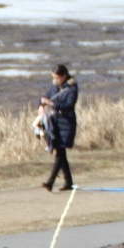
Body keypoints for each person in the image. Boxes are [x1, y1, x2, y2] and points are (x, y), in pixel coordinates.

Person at [41, 64, 78, 192]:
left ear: (64, 76)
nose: (55, 80)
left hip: (67, 123)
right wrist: (41, 105)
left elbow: (69, 105)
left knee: (60, 152)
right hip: (56, 122)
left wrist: (52, 103)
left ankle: (50, 182)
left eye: (57, 78)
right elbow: (45, 97)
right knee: (60, 152)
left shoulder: (72, 88)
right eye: (54, 77)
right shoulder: (55, 87)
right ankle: (68, 182)